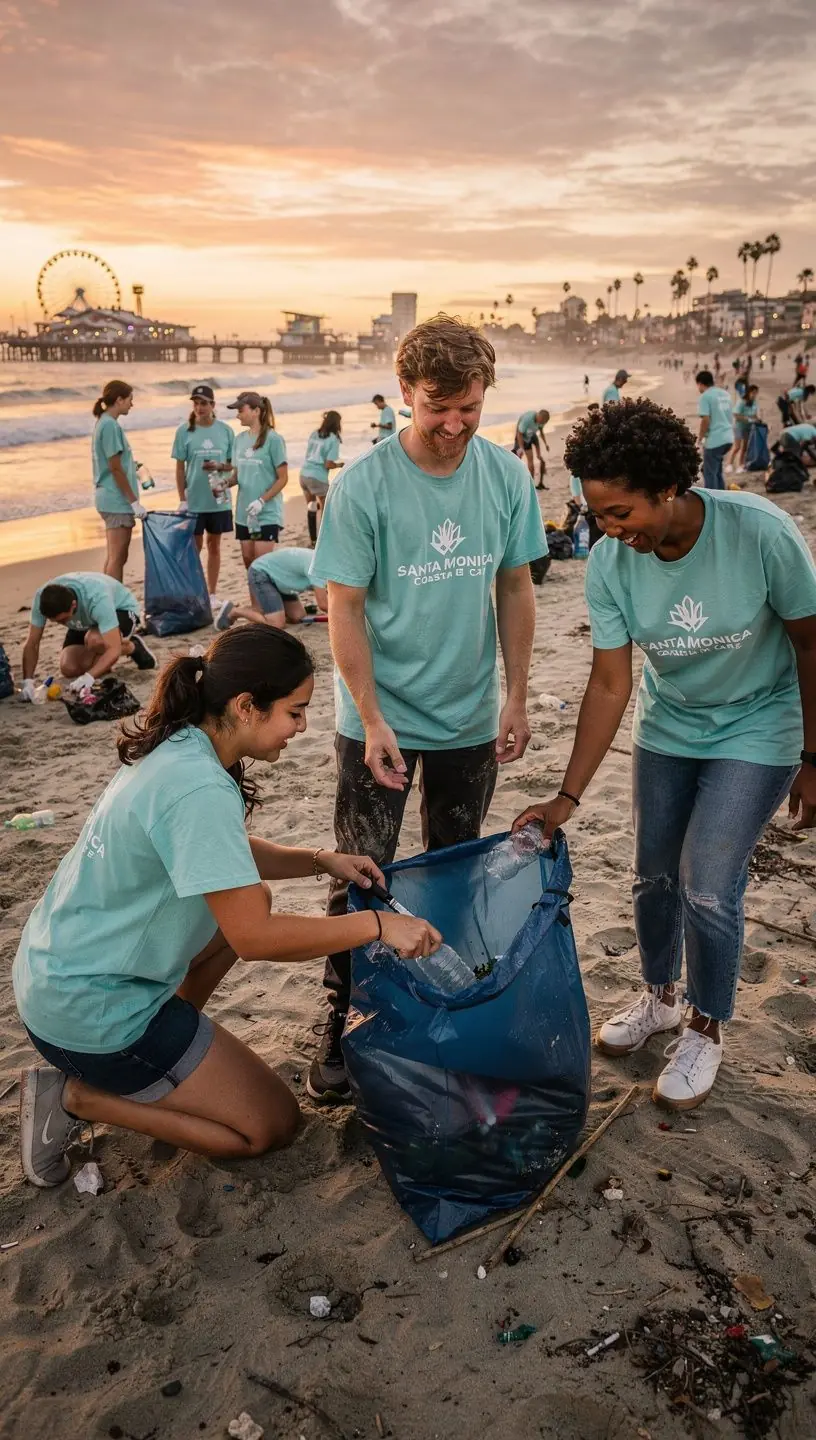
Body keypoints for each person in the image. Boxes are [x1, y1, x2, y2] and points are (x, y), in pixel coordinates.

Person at [14, 626, 441, 1187]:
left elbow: (221, 853)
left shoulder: (181, 745)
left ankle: (173, 1053)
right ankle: (78, 1098)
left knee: (252, 894)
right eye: (295, 711)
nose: (303, 726)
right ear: (246, 706)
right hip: (93, 1014)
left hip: (53, 976)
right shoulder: (198, 788)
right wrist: (379, 925)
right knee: (269, 1126)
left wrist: (320, 859)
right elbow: (255, 939)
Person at [513, 397, 816, 1112]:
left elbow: (810, 642)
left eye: (620, 513)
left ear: (670, 488)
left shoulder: (760, 532)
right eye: (596, 515)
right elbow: (611, 681)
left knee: (708, 882)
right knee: (653, 876)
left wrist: (814, 755)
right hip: (672, 727)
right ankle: (661, 999)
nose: (607, 531)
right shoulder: (611, 564)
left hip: (760, 724)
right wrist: (568, 796)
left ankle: (707, 1026)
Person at [307, 313, 547, 1102]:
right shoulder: (364, 485)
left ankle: (441, 998)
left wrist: (516, 693)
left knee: (454, 863)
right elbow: (344, 607)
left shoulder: (506, 476)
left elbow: (514, 586)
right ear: (405, 392)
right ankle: (343, 1014)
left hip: (467, 715)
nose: (453, 425)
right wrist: (372, 716)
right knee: (362, 871)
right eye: (437, 406)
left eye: (469, 408)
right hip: (378, 717)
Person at [19, 572, 155, 699]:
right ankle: (103, 661)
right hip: (85, 622)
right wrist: (28, 682)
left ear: (73, 605)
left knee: (94, 641)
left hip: (121, 610)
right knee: (69, 668)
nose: (60, 624)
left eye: (62, 620)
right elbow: (32, 642)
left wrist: (88, 677)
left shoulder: (97, 598)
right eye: (55, 621)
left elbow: (114, 649)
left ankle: (132, 647)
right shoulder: (41, 598)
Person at [172, 384, 235, 603]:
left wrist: (219, 465)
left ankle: (212, 593)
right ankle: (195, 591)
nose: (199, 407)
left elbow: (233, 465)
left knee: (214, 546)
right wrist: (182, 499)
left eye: (203, 403)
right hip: (194, 501)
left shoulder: (225, 431)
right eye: (196, 403)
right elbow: (180, 468)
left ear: (212, 405)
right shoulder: (184, 431)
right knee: (194, 548)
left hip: (218, 500)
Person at [221, 392, 288, 569]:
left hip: (266, 513)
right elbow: (237, 476)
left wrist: (261, 501)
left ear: (256, 411)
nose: (237, 415)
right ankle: (256, 599)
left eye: (241, 410)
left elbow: (283, 478)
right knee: (250, 567)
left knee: (262, 569)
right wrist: (225, 484)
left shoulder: (274, 440)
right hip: (244, 514)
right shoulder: (239, 440)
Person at [91, 381, 146, 581]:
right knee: (117, 556)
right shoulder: (110, 426)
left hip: (111, 497)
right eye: (130, 399)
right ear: (119, 400)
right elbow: (114, 468)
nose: (132, 404)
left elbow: (115, 462)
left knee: (116, 556)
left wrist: (133, 465)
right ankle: (113, 601)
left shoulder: (105, 423)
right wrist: (134, 502)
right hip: (115, 499)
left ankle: (110, 596)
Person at [216, 548, 328, 631]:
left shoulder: (323, 560)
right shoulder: (317, 567)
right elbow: (323, 605)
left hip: (283, 579)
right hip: (262, 573)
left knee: (298, 616)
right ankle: (234, 611)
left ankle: (272, 610)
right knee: (277, 624)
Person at [300, 410, 344, 545]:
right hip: (318, 477)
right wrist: (339, 465)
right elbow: (328, 464)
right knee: (327, 511)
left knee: (312, 506)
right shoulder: (333, 439)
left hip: (304, 475)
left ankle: (313, 539)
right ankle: (326, 541)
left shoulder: (314, 433)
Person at [696, 369, 734, 489]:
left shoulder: (705, 397)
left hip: (715, 440)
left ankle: (713, 501)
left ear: (701, 383)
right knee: (717, 471)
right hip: (728, 438)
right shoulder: (725, 394)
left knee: (709, 473)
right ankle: (722, 497)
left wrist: (700, 438)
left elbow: (706, 420)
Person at [513, 408, 550, 490]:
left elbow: (541, 432)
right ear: (539, 416)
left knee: (533, 461)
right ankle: (515, 483)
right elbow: (519, 433)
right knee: (515, 461)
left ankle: (531, 484)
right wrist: (521, 448)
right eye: (541, 422)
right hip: (521, 438)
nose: (541, 424)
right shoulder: (527, 419)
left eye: (543, 423)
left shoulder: (542, 421)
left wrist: (545, 444)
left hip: (531, 436)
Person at [730, 382, 760, 474]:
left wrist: (758, 421)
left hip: (748, 427)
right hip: (739, 426)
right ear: (749, 392)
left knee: (745, 447)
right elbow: (736, 414)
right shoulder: (742, 402)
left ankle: (740, 465)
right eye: (753, 393)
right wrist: (748, 419)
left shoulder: (754, 403)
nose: (754, 395)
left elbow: (754, 415)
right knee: (737, 447)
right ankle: (729, 464)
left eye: (756, 393)